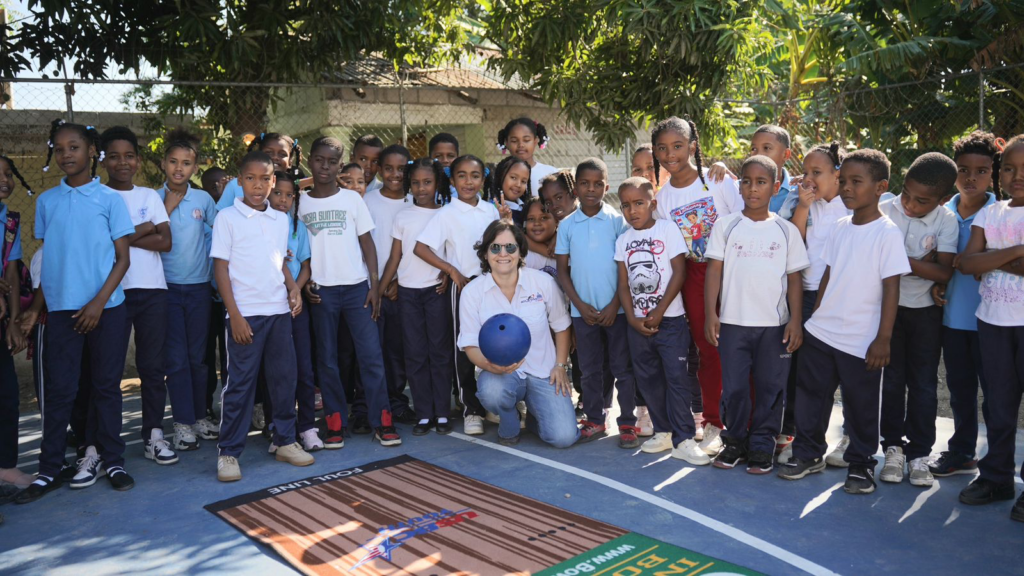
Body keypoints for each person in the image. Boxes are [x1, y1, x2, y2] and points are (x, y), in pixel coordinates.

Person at [15, 120, 135, 504]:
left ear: (92, 152)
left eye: (74, 147)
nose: (67, 155)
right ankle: (49, 468)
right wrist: (36, 308)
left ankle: (112, 460)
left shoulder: (110, 200)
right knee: (61, 390)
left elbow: (122, 258)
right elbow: (51, 261)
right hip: (63, 313)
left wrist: (98, 303)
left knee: (105, 388)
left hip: (107, 310)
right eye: (60, 148)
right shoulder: (47, 201)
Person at [779, 149, 910, 496]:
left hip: (861, 338)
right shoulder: (839, 226)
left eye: (857, 182)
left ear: (881, 186)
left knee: (861, 404)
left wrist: (883, 339)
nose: (847, 188)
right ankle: (808, 454)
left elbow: (891, 289)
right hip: (822, 330)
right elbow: (828, 275)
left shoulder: (887, 233)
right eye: (844, 181)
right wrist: (816, 317)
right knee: (811, 397)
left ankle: (861, 464)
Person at [211, 151, 313, 482]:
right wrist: (234, 315)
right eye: (251, 179)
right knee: (239, 385)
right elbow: (221, 268)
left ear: (274, 181)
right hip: (246, 316)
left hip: (279, 313)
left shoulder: (280, 219)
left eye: (265, 179)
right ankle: (228, 452)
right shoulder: (227, 218)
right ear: (240, 182)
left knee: (284, 380)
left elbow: (278, 260)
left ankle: (285, 441)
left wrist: (293, 289)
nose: (258, 185)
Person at [704, 156, 809, 474]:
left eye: (761, 182)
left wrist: (795, 320)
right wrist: (712, 313)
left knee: (770, 387)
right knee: (734, 387)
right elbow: (713, 272)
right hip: (734, 324)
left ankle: (763, 445)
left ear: (776, 187)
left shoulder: (786, 230)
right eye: (746, 181)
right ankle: (734, 441)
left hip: (773, 328)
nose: (753, 188)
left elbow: (794, 279)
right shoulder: (726, 226)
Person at [299, 136, 401, 447]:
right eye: (319, 159)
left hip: (357, 289)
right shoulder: (300, 202)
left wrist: (373, 284)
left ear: (340, 165)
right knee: (328, 359)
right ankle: (334, 422)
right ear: (310, 161)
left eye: (332, 161)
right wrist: (304, 287)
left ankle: (382, 420)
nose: (325, 166)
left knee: (371, 356)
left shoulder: (352, 200)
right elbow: (298, 249)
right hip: (322, 291)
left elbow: (367, 243)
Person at [652, 116, 742, 456]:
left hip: (733, 273)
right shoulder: (663, 199)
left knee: (740, 345)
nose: (670, 153)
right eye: (662, 148)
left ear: (693, 146)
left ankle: (744, 422)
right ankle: (715, 422)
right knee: (708, 349)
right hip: (694, 277)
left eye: (677, 146)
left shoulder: (718, 181)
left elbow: (744, 219)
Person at [877, 152, 958, 488]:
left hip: (926, 312)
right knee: (892, 382)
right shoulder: (884, 208)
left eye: (921, 201)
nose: (909, 204)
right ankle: (893, 448)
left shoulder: (947, 221)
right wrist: (919, 263)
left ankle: (919, 455)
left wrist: (900, 260)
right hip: (887, 310)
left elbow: (944, 271)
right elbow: (874, 258)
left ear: (941, 200)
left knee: (924, 385)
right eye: (906, 193)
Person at [459, 220, 578, 448]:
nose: (503, 253)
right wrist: (489, 366)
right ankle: (509, 417)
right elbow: (469, 345)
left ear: (521, 252)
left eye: (510, 247)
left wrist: (560, 366)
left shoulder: (542, 282)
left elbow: (561, 325)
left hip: (543, 372)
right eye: (495, 247)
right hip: (500, 374)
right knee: (492, 391)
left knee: (563, 438)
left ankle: (534, 415)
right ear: (485, 254)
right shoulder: (472, 292)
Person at [99, 126, 179, 467]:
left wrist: (121, 236)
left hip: (152, 291)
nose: (122, 162)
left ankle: (154, 435)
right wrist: (143, 229)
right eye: (114, 156)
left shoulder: (148, 196)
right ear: (102, 160)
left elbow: (166, 242)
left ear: (139, 160)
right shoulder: (97, 196)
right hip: (112, 292)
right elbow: (99, 245)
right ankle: (104, 445)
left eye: (129, 155)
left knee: (152, 367)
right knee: (108, 371)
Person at [956, 133, 1024, 522]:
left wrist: (989, 258)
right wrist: (1015, 251)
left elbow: (980, 260)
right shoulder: (991, 213)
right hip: (993, 322)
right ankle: (997, 477)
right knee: (998, 405)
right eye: (1010, 168)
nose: (1016, 176)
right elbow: (967, 264)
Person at [615, 177, 706, 464]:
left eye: (639, 203)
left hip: (670, 322)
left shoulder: (667, 230)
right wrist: (631, 318)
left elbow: (679, 272)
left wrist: (660, 310)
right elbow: (623, 284)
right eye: (627, 206)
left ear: (652, 204)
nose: (633, 211)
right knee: (649, 379)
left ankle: (684, 439)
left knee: (677, 380)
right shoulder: (622, 241)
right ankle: (664, 431)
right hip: (638, 326)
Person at [415, 155, 504, 435]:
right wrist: (451, 269)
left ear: (483, 179)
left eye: (475, 176)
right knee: (464, 348)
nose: (468, 181)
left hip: (494, 285)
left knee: (496, 342)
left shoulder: (490, 211)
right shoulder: (446, 214)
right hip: (464, 287)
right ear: (452, 181)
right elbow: (421, 248)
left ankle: (496, 402)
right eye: (462, 176)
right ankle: (471, 409)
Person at [928, 131, 998, 478]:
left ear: (992, 174)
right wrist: (938, 284)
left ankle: (997, 465)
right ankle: (962, 451)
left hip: (994, 322)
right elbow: (939, 261)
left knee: (998, 395)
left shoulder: (1001, 214)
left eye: (981, 171)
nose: (971, 178)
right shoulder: (942, 213)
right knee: (960, 389)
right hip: (954, 320)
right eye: (963, 169)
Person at [555, 158, 639, 448]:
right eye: (584, 183)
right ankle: (594, 418)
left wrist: (615, 302)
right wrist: (578, 304)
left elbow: (625, 268)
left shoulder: (618, 222)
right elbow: (562, 271)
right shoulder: (567, 225)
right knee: (589, 369)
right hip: (583, 313)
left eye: (597, 184)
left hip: (616, 311)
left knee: (622, 368)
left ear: (607, 186)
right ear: (575, 188)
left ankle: (627, 422)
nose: (591, 189)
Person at [783, 142, 850, 466]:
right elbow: (794, 246)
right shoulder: (807, 204)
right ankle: (805, 441)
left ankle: (850, 438)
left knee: (847, 373)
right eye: (805, 172)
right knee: (809, 373)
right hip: (806, 296)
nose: (808, 179)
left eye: (817, 173)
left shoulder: (849, 207)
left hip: (841, 299)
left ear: (837, 175)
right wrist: (803, 207)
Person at [155, 128, 220, 452]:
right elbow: (145, 236)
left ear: (195, 168)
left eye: (186, 163)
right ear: (163, 164)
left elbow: (219, 235)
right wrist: (166, 206)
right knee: (176, 359)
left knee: (198, 358)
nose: (179, 168)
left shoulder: (204, 199)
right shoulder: (153, 198)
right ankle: (181, 423)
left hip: (198, 290)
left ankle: (198, 416)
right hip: (166, 290)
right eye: (173, 162)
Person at [379, 158, 454, 435]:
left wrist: (447, 273)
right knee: (415, 353)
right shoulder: (404, 216)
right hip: (408, 294)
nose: (421, 188)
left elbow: (450, 251)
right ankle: (424, 413)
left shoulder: (445, 214)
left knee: (439, 351)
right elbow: (395, 256)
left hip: (436, 292)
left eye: (427, 182)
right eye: (415, 183)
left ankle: (442, 412)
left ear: (437, 183)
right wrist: (379, 290)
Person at [268, 170, 322, 452]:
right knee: (277, 371)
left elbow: (305, 266)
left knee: (303, 368)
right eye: (278, 193)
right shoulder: (260, 224)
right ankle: (279, 429)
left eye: (290, 195)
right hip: (268, 306)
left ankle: (307, 427)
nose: (283, 200)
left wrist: (296, 292)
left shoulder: (297, 226)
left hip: (295, 307)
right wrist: (289, 290)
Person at [365, 144, 416, 424]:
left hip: (401, 288)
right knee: (372, 348)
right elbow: (363, 246)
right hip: (371, 288)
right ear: (380, 170)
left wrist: (397, 281)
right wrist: (376, 285)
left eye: (402, 169)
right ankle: (367, 405)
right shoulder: (368, 201)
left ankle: (396, 402)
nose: (395, 174)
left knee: (397, 349)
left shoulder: (415, 201)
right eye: (389, 168)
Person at [0, 153, 32, 497]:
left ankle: (6, 467)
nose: (5, 180)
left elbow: (10, 271)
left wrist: (11, 322)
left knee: (7, 396)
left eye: (8, 173)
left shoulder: (9, 221)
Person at [707, 124, 796, 219]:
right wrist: (721, 167)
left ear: (786, 154)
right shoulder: (738, 188)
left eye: (766, 148)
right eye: (754, 149)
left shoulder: (798, 191)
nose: (758, 154)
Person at [216, 132, 304, 210]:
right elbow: (220, 215)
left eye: (282, 154)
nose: (275, 157)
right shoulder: (235, 185)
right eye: (269, 152)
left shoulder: (292, 187)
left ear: (290, 162)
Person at [497, 117, 556, 194]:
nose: (521, 145)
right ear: (506, 143)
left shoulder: (551, 174)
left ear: (535, 141)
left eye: (526, 140)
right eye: (514, 141)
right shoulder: (500, 174)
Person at [487, 156, 532, 228]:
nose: (518, 185)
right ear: (501, 176)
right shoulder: (491, 209)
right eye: (513, 177)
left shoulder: (528, 208)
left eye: (523, 181)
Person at [523, 197, 557, 277]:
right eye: (531, 219)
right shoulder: (521, 253)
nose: (537, 223)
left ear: (557, 220)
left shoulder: (570, 243)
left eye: (544, 218)